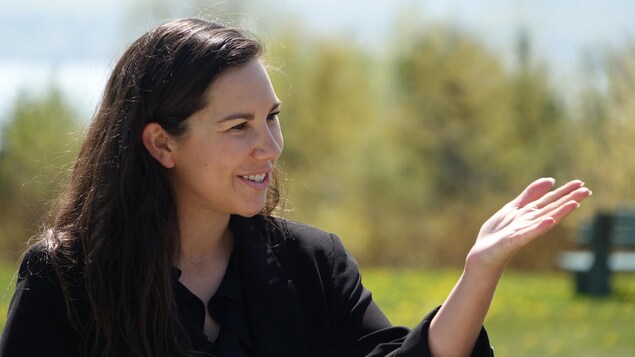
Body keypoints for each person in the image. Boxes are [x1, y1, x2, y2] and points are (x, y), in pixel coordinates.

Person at [0, 18, 591, 357]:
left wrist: (478, 272)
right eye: (239, 127)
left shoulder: (313, 264)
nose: (270, 146)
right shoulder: (66, 281)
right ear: (162, 144)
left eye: (272, 117)